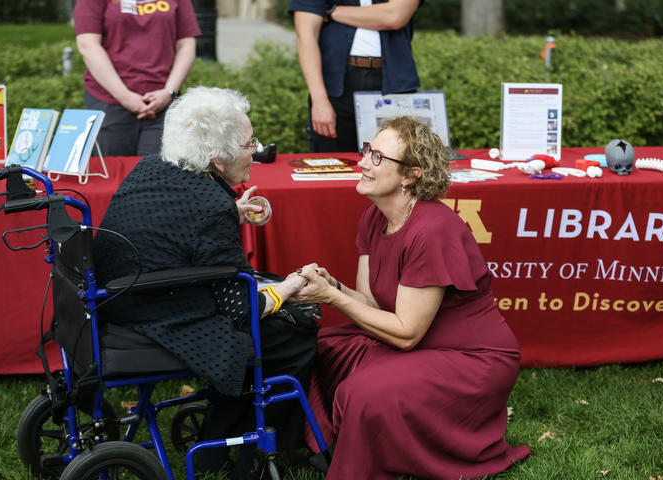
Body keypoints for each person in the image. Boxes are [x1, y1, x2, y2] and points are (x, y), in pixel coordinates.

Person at [92, 86, 317, 476]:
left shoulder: (152, 167)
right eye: (250, 143)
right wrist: (292, 286)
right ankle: (253, 454)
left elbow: (171, 225)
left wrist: (233, 213)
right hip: (156, 314)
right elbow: (242, 310)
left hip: (118, 299)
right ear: (216, 158)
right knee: (291, 331)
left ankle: (217, 439)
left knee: (275, 299)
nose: (256, 150)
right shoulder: (211, 207)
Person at [294, 116, 531, 479]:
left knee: (364, 392)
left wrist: (333, 298)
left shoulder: (433, 229)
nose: (363, 162)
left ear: (410, 175)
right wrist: (335, 288)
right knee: (319, 347)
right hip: (421, 343)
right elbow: (373, 304)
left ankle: (366, 459)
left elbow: (406, 333)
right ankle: (333, 444)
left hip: (471, 359)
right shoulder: (374, 216)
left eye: (378, 158)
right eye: (368, 151)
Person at [289, 0, 420, 153]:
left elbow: (395, 16)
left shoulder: (331, 10)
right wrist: (319, 100)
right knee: (332, 164)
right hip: (335, 85)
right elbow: (306, 36)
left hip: (394, 82)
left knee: (398, 158)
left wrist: (331, 11)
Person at [73, 0, 200, 157]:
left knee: (159, 177)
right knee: (110, 175)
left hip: (164, 104)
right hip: (109, 102)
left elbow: (186, 45)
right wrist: (124, 96)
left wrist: (169, 92)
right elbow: (88, 45)